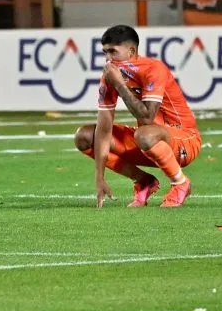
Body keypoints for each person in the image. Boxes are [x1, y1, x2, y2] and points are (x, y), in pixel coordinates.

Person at [74, 25, 202, 208]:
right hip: (148, 142)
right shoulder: (111, 77)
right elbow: (104, 129)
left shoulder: (153, 69)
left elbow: (148, 117)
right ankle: (144, 181)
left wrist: (119, 85)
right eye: (105, 52)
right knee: (85, 136)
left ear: (131, 51)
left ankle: (180, 183)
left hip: (184, 140)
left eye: (113, 52)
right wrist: (99, 178)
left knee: (144, 133)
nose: (108, 58)